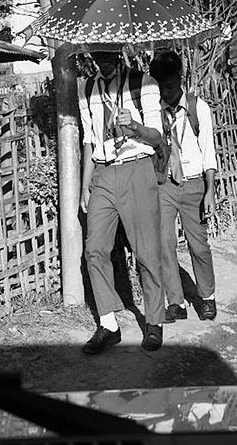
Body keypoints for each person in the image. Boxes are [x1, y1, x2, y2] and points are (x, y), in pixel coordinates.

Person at [77, 50, 169, 353]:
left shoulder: (144, 84)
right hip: (103, 173)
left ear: (118, 49)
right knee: (94, 249)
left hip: (137, 169)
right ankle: (108, 324)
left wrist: (135, 127)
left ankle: (153, 321)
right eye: (96, 51)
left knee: (146, 250)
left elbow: (157, 138)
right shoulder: (87, 88)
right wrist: (84, 187)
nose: (101, 58)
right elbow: (89, 139)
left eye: (107, 51)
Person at [147, 50, 218, 322]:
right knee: (165, 244)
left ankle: (207, 297)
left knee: (198, 244)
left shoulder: (198, 108)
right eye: (161, 87)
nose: (166, 92)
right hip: (165, 184)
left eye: (170, 86)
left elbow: (209, 152)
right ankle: (176, 302)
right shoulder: (154, 112)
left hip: (194, 184)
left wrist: (210, 191)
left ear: (180, 79)